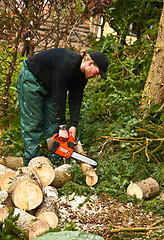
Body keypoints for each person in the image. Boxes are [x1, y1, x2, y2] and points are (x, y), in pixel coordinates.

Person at [17, 48, 109, 166]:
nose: (96, 76)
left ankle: (58, 163)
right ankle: (31, 162)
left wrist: (73, 125)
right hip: (32, 79)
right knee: (33, 122)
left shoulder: (82, 77)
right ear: (90, 64)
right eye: (97, 72)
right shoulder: (67, 64)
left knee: (52, 123)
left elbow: (75, 98)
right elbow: (59, 95)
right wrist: (62, 126)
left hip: (50, 86)